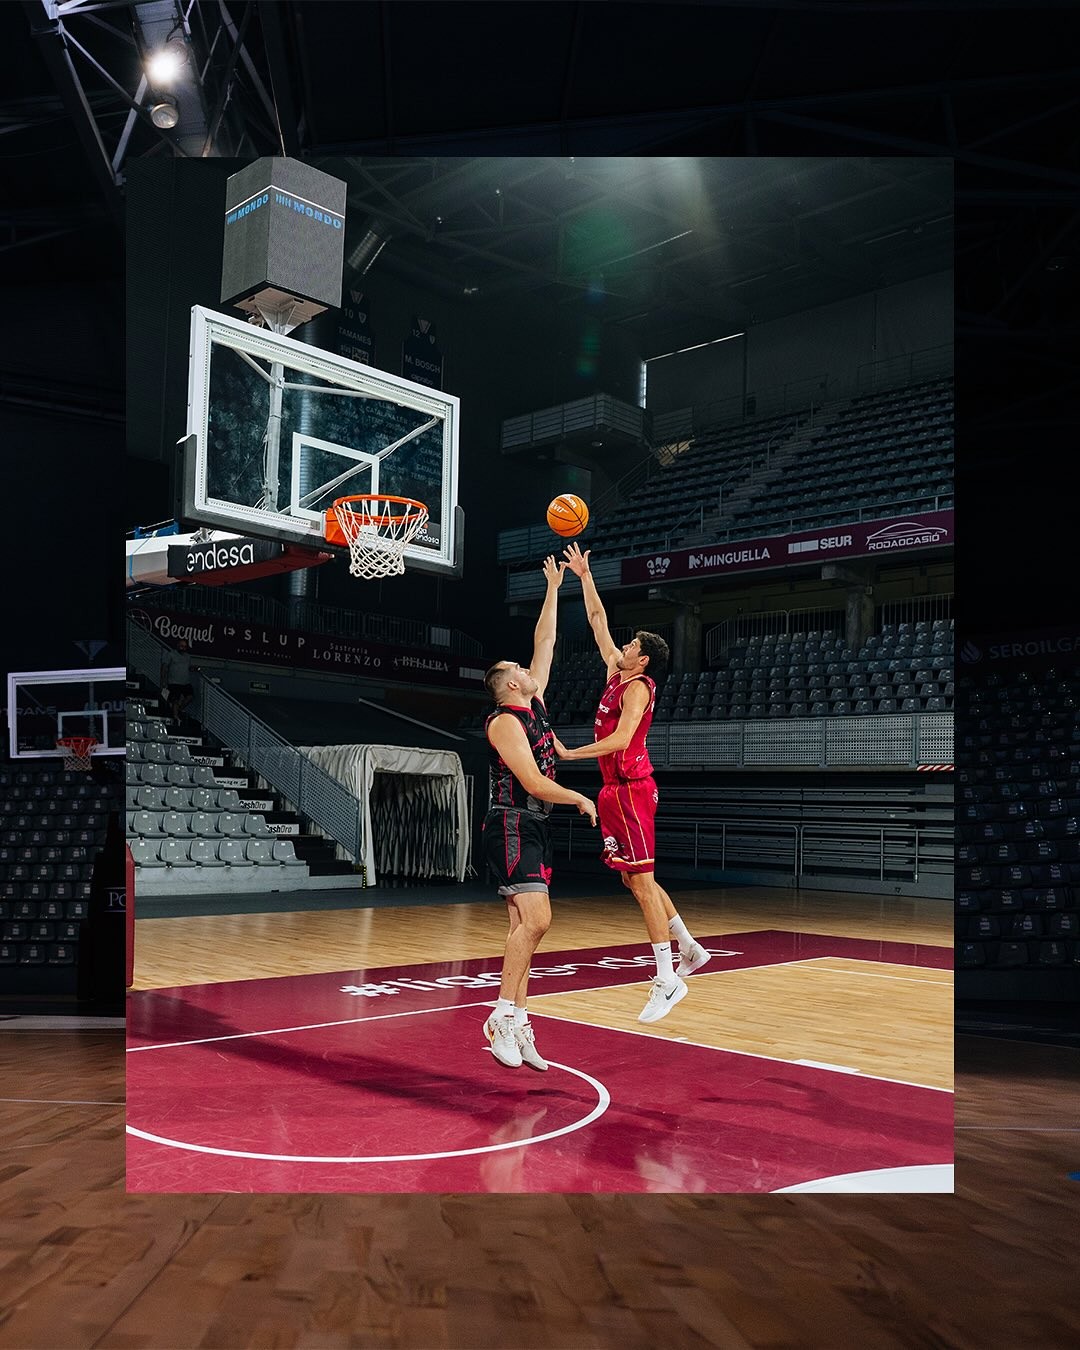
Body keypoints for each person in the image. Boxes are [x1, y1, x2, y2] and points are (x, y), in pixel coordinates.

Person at [559, 541, 710, 1024]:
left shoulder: (639, 689)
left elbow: (623, 738)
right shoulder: (615, 673)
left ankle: (667, 978)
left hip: (631, 789)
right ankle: (688, 946)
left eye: (631, 647)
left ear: (642, 660)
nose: (623, 647)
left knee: (642, 883)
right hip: (614, 791)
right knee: (633, 877)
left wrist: (571, 753)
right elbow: (598, 620)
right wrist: (585, 576)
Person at [482, 555, 598, 1070]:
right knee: (538, 920)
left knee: (523, 930)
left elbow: (545, 641)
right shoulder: (504, 722)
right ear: (510, 684)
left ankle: (521, 1020)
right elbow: (531, 782)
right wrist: (578, 797)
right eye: (520, 670)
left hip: (534, 826)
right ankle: (500, 1017)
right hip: (511, 823)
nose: (529, 671)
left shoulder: (536, 705)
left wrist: (554, 587)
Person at [160, 638, 195, 724]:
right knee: (175, 699)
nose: (183, 648)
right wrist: (163, 680)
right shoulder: (171, 654)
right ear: (178, 646)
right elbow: (164, 667)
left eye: (185, 646)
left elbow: (189, 667)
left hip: (185, 682)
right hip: (174, 682)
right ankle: (175, 716)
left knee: (190, 696)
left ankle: (179, 709)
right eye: (181, 646)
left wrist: (194, 668)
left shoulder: (188, 657)